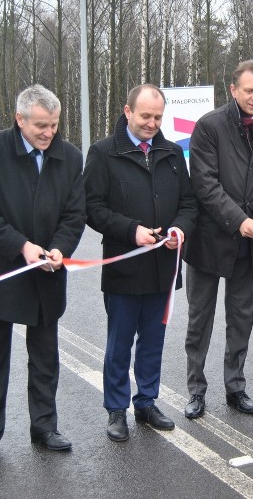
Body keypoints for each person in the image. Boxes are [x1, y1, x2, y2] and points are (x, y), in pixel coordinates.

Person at [0, 84, 86, 467]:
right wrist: (22, 247)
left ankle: (44, 427)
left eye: (53, 125)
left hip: (48, 273)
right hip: (2, 271)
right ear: (19, 120)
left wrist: (59, 249)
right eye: (40, 126)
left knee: (46, 356)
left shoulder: (69, 157)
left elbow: (74, 215)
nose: (48, 133)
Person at [83, 84, 197, 442]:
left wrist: (179, 228)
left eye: (158, 117)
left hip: (164, 266)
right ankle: (116, 409)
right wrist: (131, 231)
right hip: (124, 265)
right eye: (145, 116)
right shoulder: (103, 153)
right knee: (119, 342)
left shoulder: (173, 153)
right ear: (127, 111)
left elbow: (189, 204)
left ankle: (146, 401)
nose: (152, 123)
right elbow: (92, 208)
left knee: (153, 340)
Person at [182, 60, 253, 418]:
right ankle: (196, 390)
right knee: (200, 320)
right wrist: (238, 219)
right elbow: (204, 183)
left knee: (241, 319)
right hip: (209, 240)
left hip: (251, 242)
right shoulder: (209, 126)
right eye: (249, 91)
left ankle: (236, 387)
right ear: (233, 90)